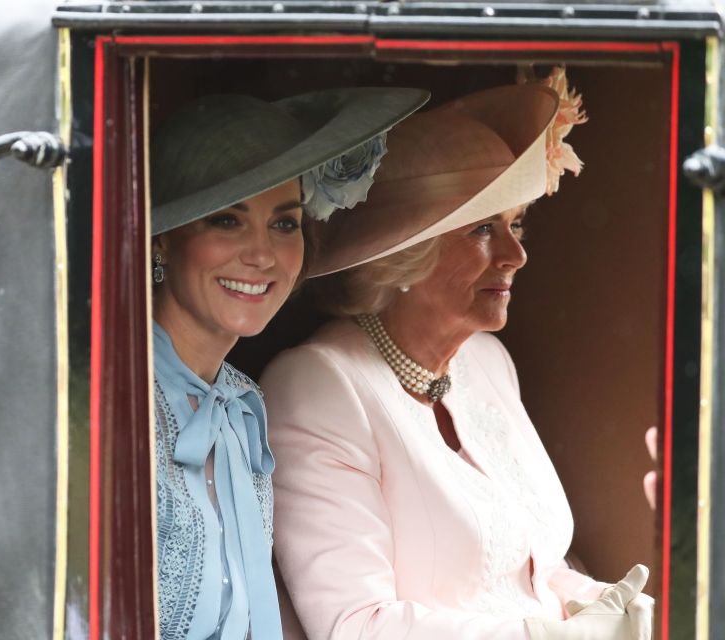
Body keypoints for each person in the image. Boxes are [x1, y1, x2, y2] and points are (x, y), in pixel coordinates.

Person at [260, 71, 654, 639]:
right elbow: (355, 626)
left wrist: (602, 605)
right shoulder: (317, 385)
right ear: (402, 258)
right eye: (481, 231)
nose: (516, 254)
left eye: (515, 224)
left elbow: (528, 566)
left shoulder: (487, 360)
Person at [150, 86, 429, 640]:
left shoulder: (241, 402)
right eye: (227, 221)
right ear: (163, 240)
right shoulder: (108, 401)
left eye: (284, 223)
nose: (262, 254)